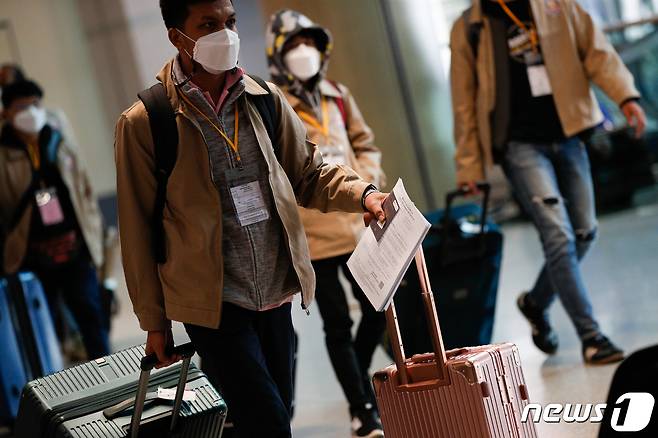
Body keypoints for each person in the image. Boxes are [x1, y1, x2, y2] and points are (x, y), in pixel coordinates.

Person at [114, 1, 388, 436]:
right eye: (208, 25)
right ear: (176, 36)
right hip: (212, 302)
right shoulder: (147, 121)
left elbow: (308, 173)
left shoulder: (263, 99)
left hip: (275, 289)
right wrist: (155, 323)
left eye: (230, 22)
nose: (224, 33)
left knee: (273, 412)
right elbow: (136, 231)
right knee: (271, 422)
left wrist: (364, 194)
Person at [450, 0, 646, 365]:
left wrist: (626, 96)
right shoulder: (470, 26)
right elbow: (463, 100)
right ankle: (591, 336)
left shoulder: (559, 5)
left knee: (585, 232)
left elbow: (596, 51)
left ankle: (536, 302)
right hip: (519, 145)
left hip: (569, 133)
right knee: (559, 235)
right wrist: (468, 166)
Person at [265, 9, 386, 438]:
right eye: (293, 45)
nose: (303, 52)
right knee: (336, 322)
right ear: (278, 55)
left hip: (357, 222)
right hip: (315, 232)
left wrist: (365, 180)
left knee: (379, 309)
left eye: (309, 43)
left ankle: (359, 375)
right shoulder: (275, 103)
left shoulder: (337, 94)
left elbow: (364, 143)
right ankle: (361, 408)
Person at [0, 79, 110, 360]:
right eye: (22, 106)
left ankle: (110, 377)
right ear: (7, 113)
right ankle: (55, 389)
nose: (31, 112)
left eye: (36, 104)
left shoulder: (59, 143)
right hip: (32, 256)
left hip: (74, 248)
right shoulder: (4, 154)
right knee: (44, 328)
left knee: (91, 315)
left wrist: (94, 240)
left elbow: (84, 191)